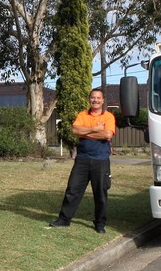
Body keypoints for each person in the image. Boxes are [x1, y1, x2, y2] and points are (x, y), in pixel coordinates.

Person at [49, 88, 115, 233]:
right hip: (83, 160)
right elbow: (75, 130)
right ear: (89, 99)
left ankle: (100, 224)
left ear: (103, 100)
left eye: (98, 98)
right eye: (93, 98)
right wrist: (95, 128)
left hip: (101, 160)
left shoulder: (109, 116)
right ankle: (64, 220)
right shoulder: (82, 114)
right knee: (73, 190)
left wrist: (86, 132)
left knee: (100, 194)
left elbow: (107, 134)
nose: (95, 100)